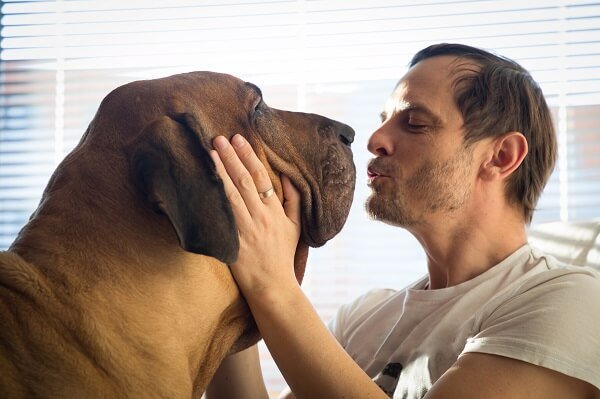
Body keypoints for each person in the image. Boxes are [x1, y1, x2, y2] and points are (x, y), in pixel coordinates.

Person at [205, 43, 600, 399]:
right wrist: (228, 265)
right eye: (384, 119)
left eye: (414, 123)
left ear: (501, 156)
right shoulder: (364, 318)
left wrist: (273, 282)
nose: (375, 138)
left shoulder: (570, 303)